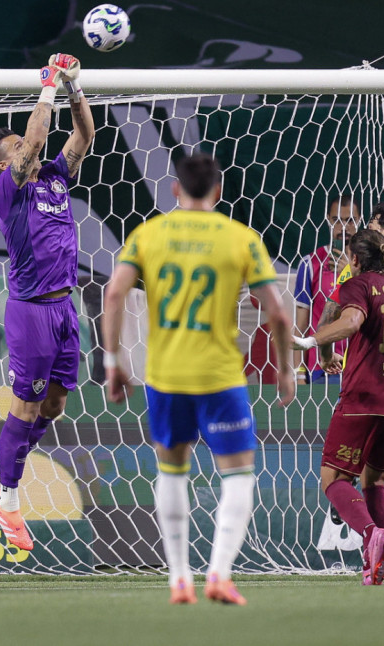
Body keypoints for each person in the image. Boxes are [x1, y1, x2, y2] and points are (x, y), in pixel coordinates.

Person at [102, 153, 294, 605]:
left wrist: (113, 362)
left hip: (165, 376)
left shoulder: (149, 234)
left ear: (175, 190)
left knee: (171, 469)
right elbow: (279, 313)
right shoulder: (240, 238)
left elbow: (113, 293)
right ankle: (220, 574)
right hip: (220, 376)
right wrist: (286, 369)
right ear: (219, 191)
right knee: (239, 474)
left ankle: (179, 579)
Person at [0, 53, 95, 552]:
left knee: (56, 404)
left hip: (66, 307)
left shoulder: (56, 179)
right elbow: (37, 139)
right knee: (25, 405)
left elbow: (83, 136)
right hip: (32, 310)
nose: (30, 146)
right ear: (7, 163)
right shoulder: (10, 189)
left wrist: (74, 89)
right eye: (19, 146)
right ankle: (9, 500)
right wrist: (46, 86)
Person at [292, 228, 384, 585]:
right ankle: (374, 565)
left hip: (364, 396)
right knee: (375, 476)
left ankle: (371, 534)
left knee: (333, 477)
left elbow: (350, 321)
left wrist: (309, 341)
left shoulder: (359, 284)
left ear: (354, 258)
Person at [315, 203, 384, 371]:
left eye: (371, 229)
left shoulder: (360, 266)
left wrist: (326, 356)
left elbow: (326, 320)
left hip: (365, 374)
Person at [293, 194, 359, 384]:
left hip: (359, 365)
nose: (344, 227)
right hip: (321, 370)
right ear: (328, 220)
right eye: (337, 220)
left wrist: (348, 272)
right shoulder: (309, 264)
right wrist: (298, 373)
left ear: (359, 221)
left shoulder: (368, 265)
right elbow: (301, 324)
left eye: (350, 220)